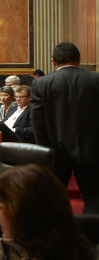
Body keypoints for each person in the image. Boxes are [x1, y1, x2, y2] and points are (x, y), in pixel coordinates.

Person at [31, 42, 99, 213]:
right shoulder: (96, 79)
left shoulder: (41, 84)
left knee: (53, 198)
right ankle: (91, 236)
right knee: (93, 197)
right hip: (91, 150)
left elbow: (38, 123)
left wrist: (44, 151)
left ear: (53, 61)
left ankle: (57, 235)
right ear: (79, 60)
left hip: (55, 152)